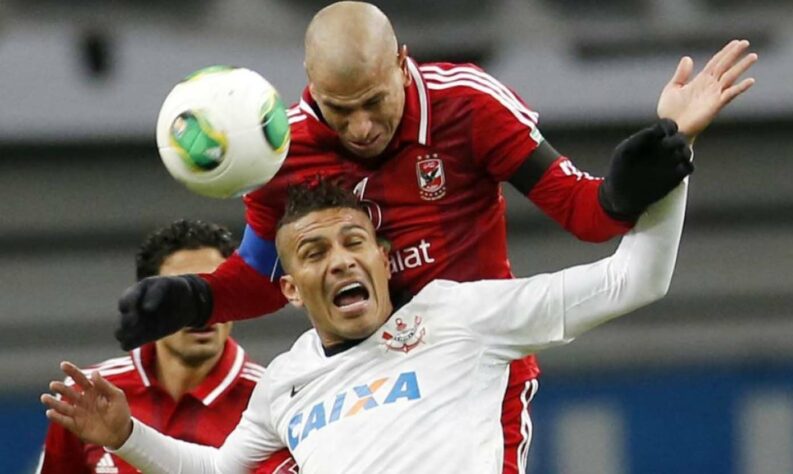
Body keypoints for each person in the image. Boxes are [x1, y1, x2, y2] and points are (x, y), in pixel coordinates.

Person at [115, 2, 757, 469]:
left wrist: (640, 183)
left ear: (401, 63)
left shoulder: (469, 106)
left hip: (472, 346)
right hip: (353, 364)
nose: (362, 127)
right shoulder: (282, 147)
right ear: (313, 92)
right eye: (340, 111)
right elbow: (264, 277)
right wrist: (192, 299)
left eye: (374, 101)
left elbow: (587, 217)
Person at [43, 126, 694, 472]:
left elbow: (634, 280)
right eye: (313, 253)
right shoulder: (288, 379)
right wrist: (125, 435)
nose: (341, 259)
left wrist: (671, 160)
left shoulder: (459, 316)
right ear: (290, 290)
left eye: (354, 241)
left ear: (384, 259)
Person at [36, 220, 296, 474]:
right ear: (149, 301)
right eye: (181, 297)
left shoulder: (273, 403)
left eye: (213, 293)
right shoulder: (89, 397)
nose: (201, 314)